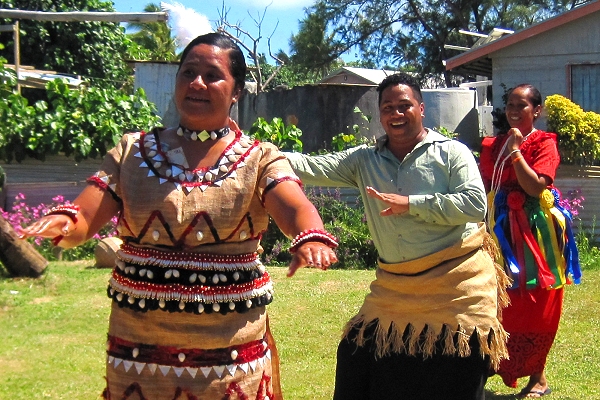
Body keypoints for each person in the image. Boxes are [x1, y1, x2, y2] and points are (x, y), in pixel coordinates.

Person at [17, 32, 338, 400]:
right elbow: (87, 213)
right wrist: (66, 224)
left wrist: (311, 235)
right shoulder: (131, 150)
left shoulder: (259, 157)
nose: (197, 83)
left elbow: (294, 205)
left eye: (213, 75)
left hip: (230, 357)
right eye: (188, 73)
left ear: (236, 92)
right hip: (139, 351)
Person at [286, 72, 510, 400]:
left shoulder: (452, 153)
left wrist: (411, 205)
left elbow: (474, 205)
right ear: (380, 115)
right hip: (395, 290)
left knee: (456, 378)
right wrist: (252, 151)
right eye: (388, 107)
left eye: (404, 105)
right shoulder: (363, 160)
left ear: (422, 109)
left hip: (457, 287)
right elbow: (308, 166)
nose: (396, 113)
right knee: (355, 358)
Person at [479, 83, 581, 398]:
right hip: (498, 229)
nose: (512, 109)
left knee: (535, 298)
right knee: (491, 297)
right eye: (509, 103)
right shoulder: (490, 145)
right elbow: (484, 185)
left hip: (535, 233)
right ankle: (481, 370)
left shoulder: (545, 143)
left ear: (536, 110)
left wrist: (515, 152)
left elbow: (535, 187)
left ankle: (538, 376)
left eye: (521, 105)